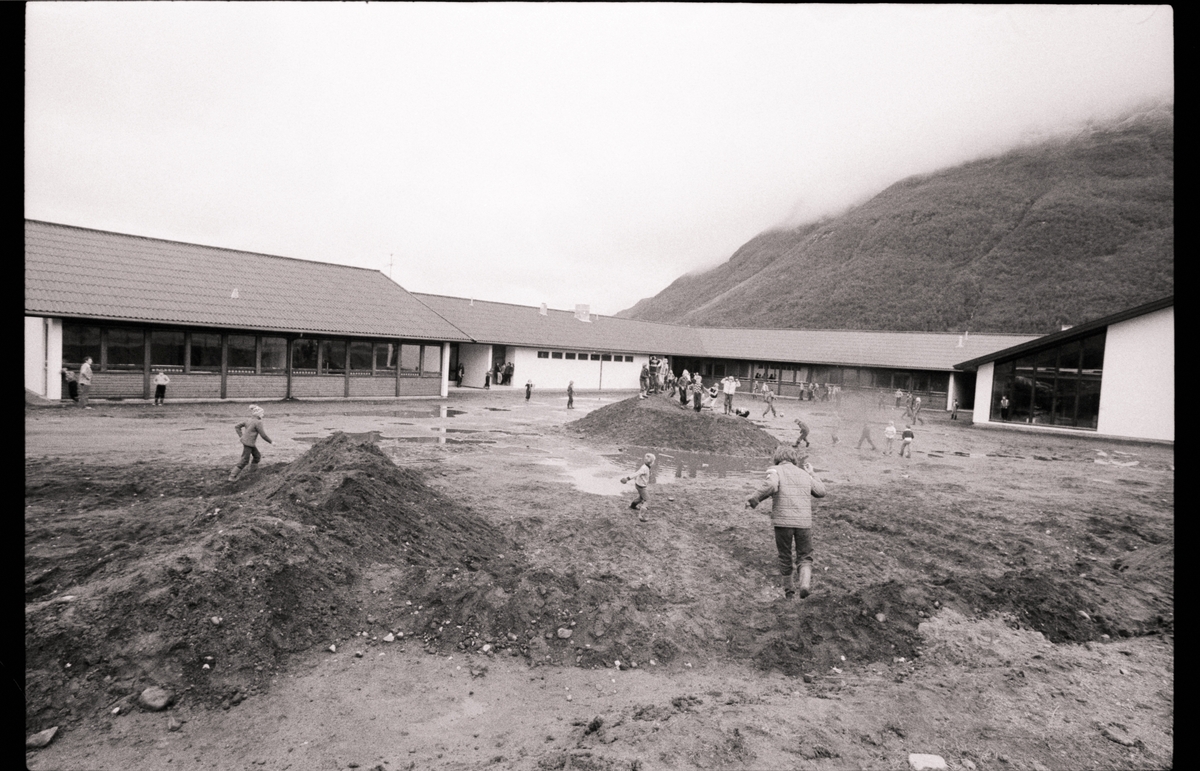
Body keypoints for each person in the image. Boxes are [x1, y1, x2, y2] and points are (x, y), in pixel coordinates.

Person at [746, 445, 827, 600]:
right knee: (805, 556)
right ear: (793, 459)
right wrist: (812, 473)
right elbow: (821, 491)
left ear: (777, 458)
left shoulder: (775, 470)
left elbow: (770, 485)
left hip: (783, 522)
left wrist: (753, 499)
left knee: (785, 555)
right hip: (803, 523)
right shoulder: (804, 474)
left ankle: (789, 593)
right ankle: (804, 585)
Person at [230, 404, 273, 481]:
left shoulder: (248, 420)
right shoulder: (258, 422)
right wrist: (271, 442)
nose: (263, 415)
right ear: (259, 414)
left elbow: (237, 426)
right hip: (248, 443)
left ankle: (252, 473)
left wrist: (241, 436)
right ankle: (232, 476)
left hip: (248, 442)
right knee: (245, 460)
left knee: (257, 456)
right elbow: (263, 435)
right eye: (262, 413)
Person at [621, 453, 656, 521]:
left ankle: (632, 506)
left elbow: (644, 473)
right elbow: (636, 473)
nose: (653, 463)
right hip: (641, 486)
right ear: (651, 462)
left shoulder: (646, 466)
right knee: (647, 500)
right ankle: (641, 516)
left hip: (639, 485)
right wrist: (627, 478)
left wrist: (649, 474)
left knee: (641, 498)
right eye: (653, 461)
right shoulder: (644, 468)